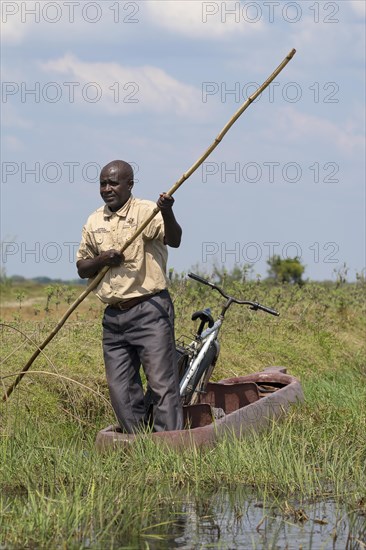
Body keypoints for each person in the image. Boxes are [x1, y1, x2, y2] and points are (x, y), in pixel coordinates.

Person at [76, 160, 183, 433]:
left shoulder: (146, 211)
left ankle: (171, 447)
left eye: (113, 183)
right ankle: (140, 447)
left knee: (161, 384)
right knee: (120, 389)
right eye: (103, 183)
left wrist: (167, 212)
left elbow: (174, 239)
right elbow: (82, 267)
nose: (107, 188)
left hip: (149, 309)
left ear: (129, 185)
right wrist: (102, 259)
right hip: (114, 317)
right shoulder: (94, 220)